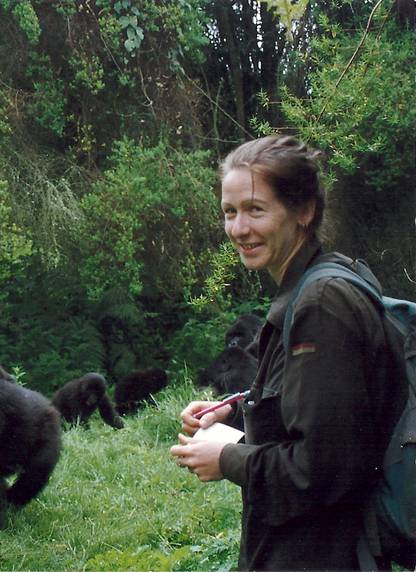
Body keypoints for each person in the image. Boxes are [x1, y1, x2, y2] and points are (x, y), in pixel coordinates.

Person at [169, 135, 406, 570]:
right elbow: (317, 417)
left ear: (304, 211)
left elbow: (323, 470)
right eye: (230, 212)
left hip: (322, 554)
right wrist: (236, 416)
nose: (239, 229)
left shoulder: (321, 305)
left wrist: (227, 458)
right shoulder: (317, 283)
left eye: (256, 210)